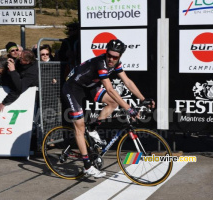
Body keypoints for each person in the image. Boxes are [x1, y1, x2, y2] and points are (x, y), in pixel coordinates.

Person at [62, 39, 155, 178]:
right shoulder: (100, 63)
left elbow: (128, 81)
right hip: (73, 88)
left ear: (120, 57)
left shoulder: (116, 64)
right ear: (106, 52)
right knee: (80, 126)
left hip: (89, 86)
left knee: (112, 103)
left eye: (115, 57)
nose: (111, 59)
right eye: (109, 55)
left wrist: (143, 99)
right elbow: (110, 89)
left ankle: (93, 127)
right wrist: (129, 109)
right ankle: (87, 167)